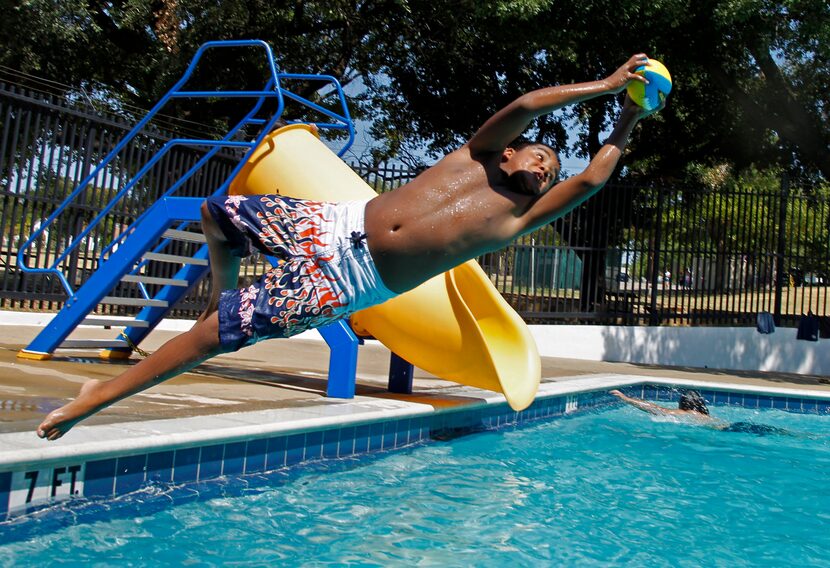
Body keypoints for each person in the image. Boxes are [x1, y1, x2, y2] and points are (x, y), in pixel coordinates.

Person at [38, 54, 662, 440]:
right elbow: (526, 103)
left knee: (218, 337)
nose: (548, 167)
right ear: (511, 151)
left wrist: (628, 118)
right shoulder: (473, 156)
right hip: (336, 221)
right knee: (215, 213)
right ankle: (223, 295)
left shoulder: (518, 217)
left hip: (353, 282)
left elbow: (593, 178)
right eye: (542, 154)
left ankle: (99, 396)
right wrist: (607, 86)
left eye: (552, 170)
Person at [609, 389, 792, 435]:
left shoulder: (682, 414)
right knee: (772, 432)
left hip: (728, 431)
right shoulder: (705, 416)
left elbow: (654, 408)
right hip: (733, 427)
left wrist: (626, 399)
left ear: (684, 403)